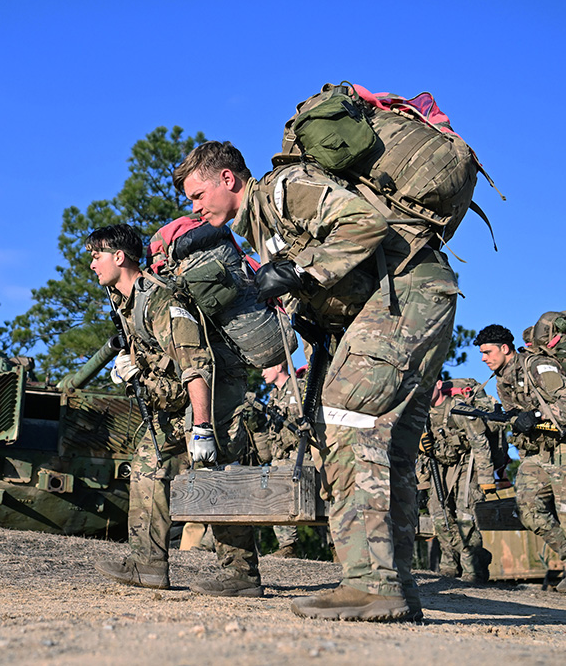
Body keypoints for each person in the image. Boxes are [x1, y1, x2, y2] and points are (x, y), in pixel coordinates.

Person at [174, 140, 460, 622]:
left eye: (198, 195)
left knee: (347, 422)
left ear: (228, 179)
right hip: (410, 299)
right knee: (392, 450)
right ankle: (395, 585)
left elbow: (366, 223)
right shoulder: (262, 225)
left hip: (407, 293)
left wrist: (300, 271)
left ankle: (369, 585)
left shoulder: (283, 189)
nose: (195, 208)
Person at [87, 223, 262, 597]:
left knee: (218, 477)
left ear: (119, 257)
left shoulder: (160, 301)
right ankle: (147, 564)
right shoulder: (125, 302)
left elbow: (196, 365)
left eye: (96, 255)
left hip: (213, 396)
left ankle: (242, 575)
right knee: (147, 466)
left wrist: (202, 428)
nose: (92, 265)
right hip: (176, 398)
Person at [473, 324, 566, 604]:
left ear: (505, 348)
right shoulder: (501, 380)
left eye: (487, 352)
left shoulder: (539, 367)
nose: (483, 358)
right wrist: (517, 420)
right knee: (528, 511)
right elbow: (520, 418)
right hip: (537, 453)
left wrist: (537, 414)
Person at [421, 379, 499, 583]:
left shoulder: (458, 409)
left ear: (438, 384)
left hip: (467, 463)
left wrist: (486, 478)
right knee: (439, 515)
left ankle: (473, 569)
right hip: (440, 465)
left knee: (465, 516)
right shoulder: (420, 415)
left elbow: (480, 442)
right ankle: (450, 564)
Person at [247, 362, 308, 558]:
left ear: (280, 366)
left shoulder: (299, 388)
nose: (263, 373)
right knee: (276, 499)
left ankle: (336, 548)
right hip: (280, 457)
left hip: (299, 455)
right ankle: (288, 546)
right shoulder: (274, 396)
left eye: (267, 368)